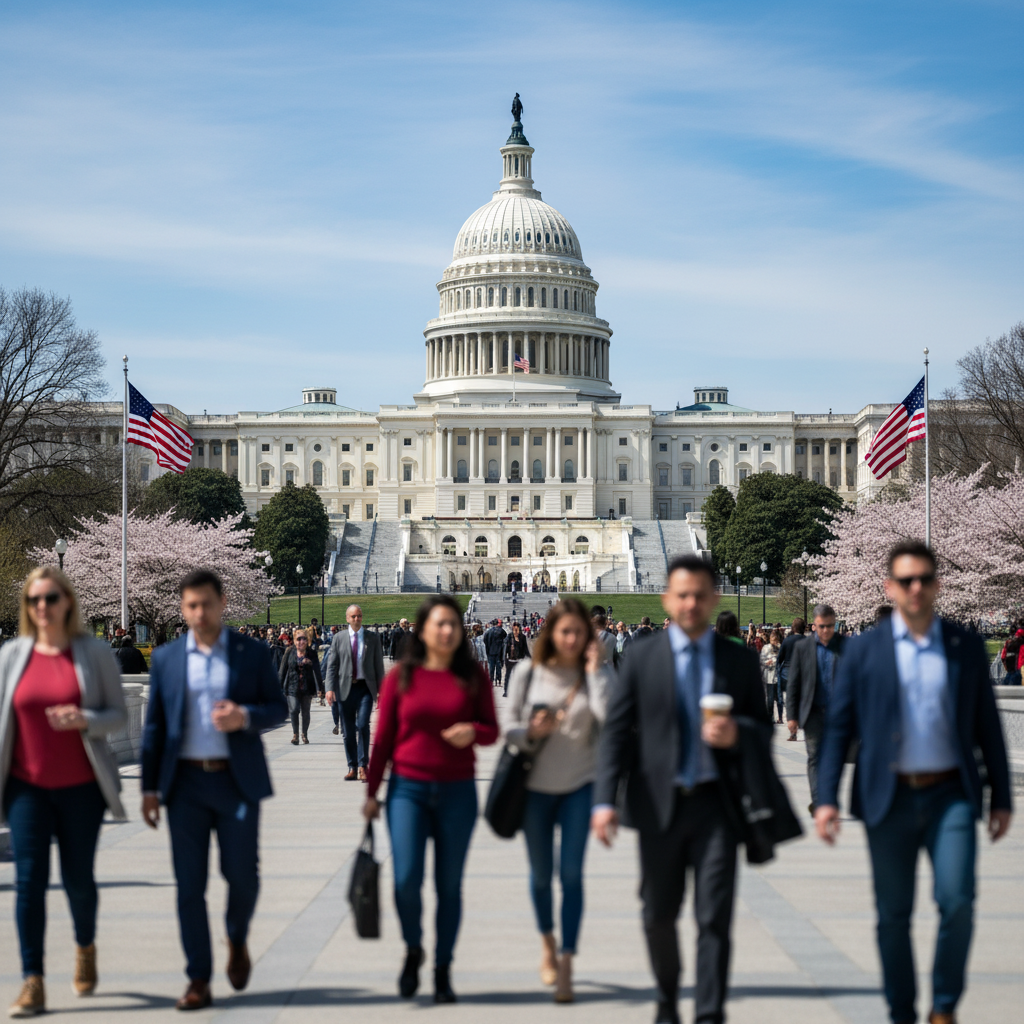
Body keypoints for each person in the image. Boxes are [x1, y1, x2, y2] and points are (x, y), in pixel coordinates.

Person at [815, 541, 1012, 1024]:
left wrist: (1002, 797)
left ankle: (943, 1006)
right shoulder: (864, 651)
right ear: (890, 587)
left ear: (937, 585)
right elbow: (839, 728)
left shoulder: (963, 644)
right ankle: (902, 1011)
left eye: (925, 578)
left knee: (958, 901)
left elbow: (988, 725)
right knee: (893, 914)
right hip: (890, 796)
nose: (916, 587)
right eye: (906, 580)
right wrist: (825, 799)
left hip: (951, 795)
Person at [592, 554, 771, 1024]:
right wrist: (603, 802)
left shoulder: (739, 659)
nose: (691, 603)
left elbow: (761, 728)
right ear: (667, 599)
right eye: (682, 595)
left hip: (717, 804)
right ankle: (668, 999)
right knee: (658, 913)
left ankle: (710, 1012)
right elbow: (616, 732)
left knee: (714, 916)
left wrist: (739, 734)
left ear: (713, 599)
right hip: (658, 804)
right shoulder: (642, 657)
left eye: (700, 595)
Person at [141, 569, 288, 1011]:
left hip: (235, 780)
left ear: (222, 602)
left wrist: (245, 716)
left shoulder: (250, 652)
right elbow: (154, 728)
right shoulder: (167, 659)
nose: (199, 613)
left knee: (243, 876)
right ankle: (198, 978)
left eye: (206, 603)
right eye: (190, 606)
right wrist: (149, 789)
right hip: (185, 784)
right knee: (189, 885)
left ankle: (237, 937)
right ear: (183, 608)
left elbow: (278, 707)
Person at [0, 567, 128, 1018]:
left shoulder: (91, 653)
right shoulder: (12, 655)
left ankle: (85, 947)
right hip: (25, 788)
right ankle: (32, 980)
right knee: (29, 883)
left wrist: (84, 719)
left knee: (77, 880)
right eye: (34, 599)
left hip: (80, 788)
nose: (42, 607)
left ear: (67, 602)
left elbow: (119, 715)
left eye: (51, 598)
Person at [363, 595, 497, 1004]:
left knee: (449, 885)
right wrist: (372, 792)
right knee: (405, 879)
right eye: (438, 624)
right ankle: (413, 948)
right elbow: (383, 738)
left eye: (453, 624)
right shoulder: (401, 677)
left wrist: (472, 730)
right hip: (408, 788)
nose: (446, 631)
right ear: (422, 631)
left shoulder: (473, 675)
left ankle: (442, 966)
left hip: (457, 789)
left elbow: (492, 729)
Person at [503, 599, 610, 1003]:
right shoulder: (527, 673)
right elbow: (508, 727)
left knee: (572, 875)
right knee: (540, 875)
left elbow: (609, 720)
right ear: (551, 633)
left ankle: (566, 959)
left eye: (577, 633)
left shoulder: (592, 675)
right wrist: (530, 731)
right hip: (535, 789)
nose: (570, 639)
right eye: (563, 632)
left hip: (580, 786)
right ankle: (547, 939)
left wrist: (595, 672)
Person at [785, 604, 845, 813]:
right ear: (814, 626)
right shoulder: (803, 648)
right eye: (822, 626)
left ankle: (829, 797)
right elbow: (793, 683)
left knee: (835, 758)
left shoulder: (844, 646)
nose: (826, 630)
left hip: (838, 714)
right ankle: (819, 800)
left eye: (830, 626)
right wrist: (791, 716)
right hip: (813, 712)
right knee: (815, 757)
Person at [326, 604, 385, 781]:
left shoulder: (372, 638)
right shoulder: (339, 638)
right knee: (348, 730)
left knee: (362, 725)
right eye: (353, 616)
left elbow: (378, 666)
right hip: (345, 689)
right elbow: (332, 665)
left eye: (359, 616)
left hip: (365, 688)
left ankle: (363, 766)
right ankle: (352, 766)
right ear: (347, 618)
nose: (356, 619)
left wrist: (382, 690)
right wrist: (329, 688)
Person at [279, 628, 323, 745]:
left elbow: (318, 672)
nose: (301, 641)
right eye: (298, 639)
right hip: (292, 687)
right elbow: (282, 670)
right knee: (293, 709)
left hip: (307, 687)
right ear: (294, 640)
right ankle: (295, 734)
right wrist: (277, 688)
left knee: (305, 712)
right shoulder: (289, 651)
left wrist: (321, 689)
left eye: (304, 639)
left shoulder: (311, 653)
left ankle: (304, 733)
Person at [776, 618, 805, 739]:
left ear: (793, 628)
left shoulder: (787, 641)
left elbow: (779, 658)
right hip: (802, 671)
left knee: (790, 700)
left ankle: (793, 730)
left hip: (787, 670)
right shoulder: (807, 640)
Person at [503, 620, 530, 697]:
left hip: (520, 660)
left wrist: (530, 659)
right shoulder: (509, 637)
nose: (515, 631)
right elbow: (505, 648)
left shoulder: (522, 637)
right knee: (508, 676)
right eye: (514, 629)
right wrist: (504, 659)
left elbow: (525, 649)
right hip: (511, 660)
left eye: (517, 629)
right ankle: (506, 691)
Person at [760, 629, 782, 723]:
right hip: (769, 675)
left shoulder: (780, 647)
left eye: (775, 640)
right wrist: (766, 662)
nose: (774, 642)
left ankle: (780, 717)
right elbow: (761, 659)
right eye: (772, 640)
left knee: (779, 699)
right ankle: (770, 716)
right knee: (770, 698)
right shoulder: (765, 648)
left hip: (778, 676)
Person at [483, 619, 506, 689]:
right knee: (498, 667)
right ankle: (498, 680)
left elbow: (485, 640)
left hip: (490, 651)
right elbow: (505, 637)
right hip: (499, 651)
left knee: (491, 667)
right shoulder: (501, 631)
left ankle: (491, 680)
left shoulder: (488, 631)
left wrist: (488, 647)